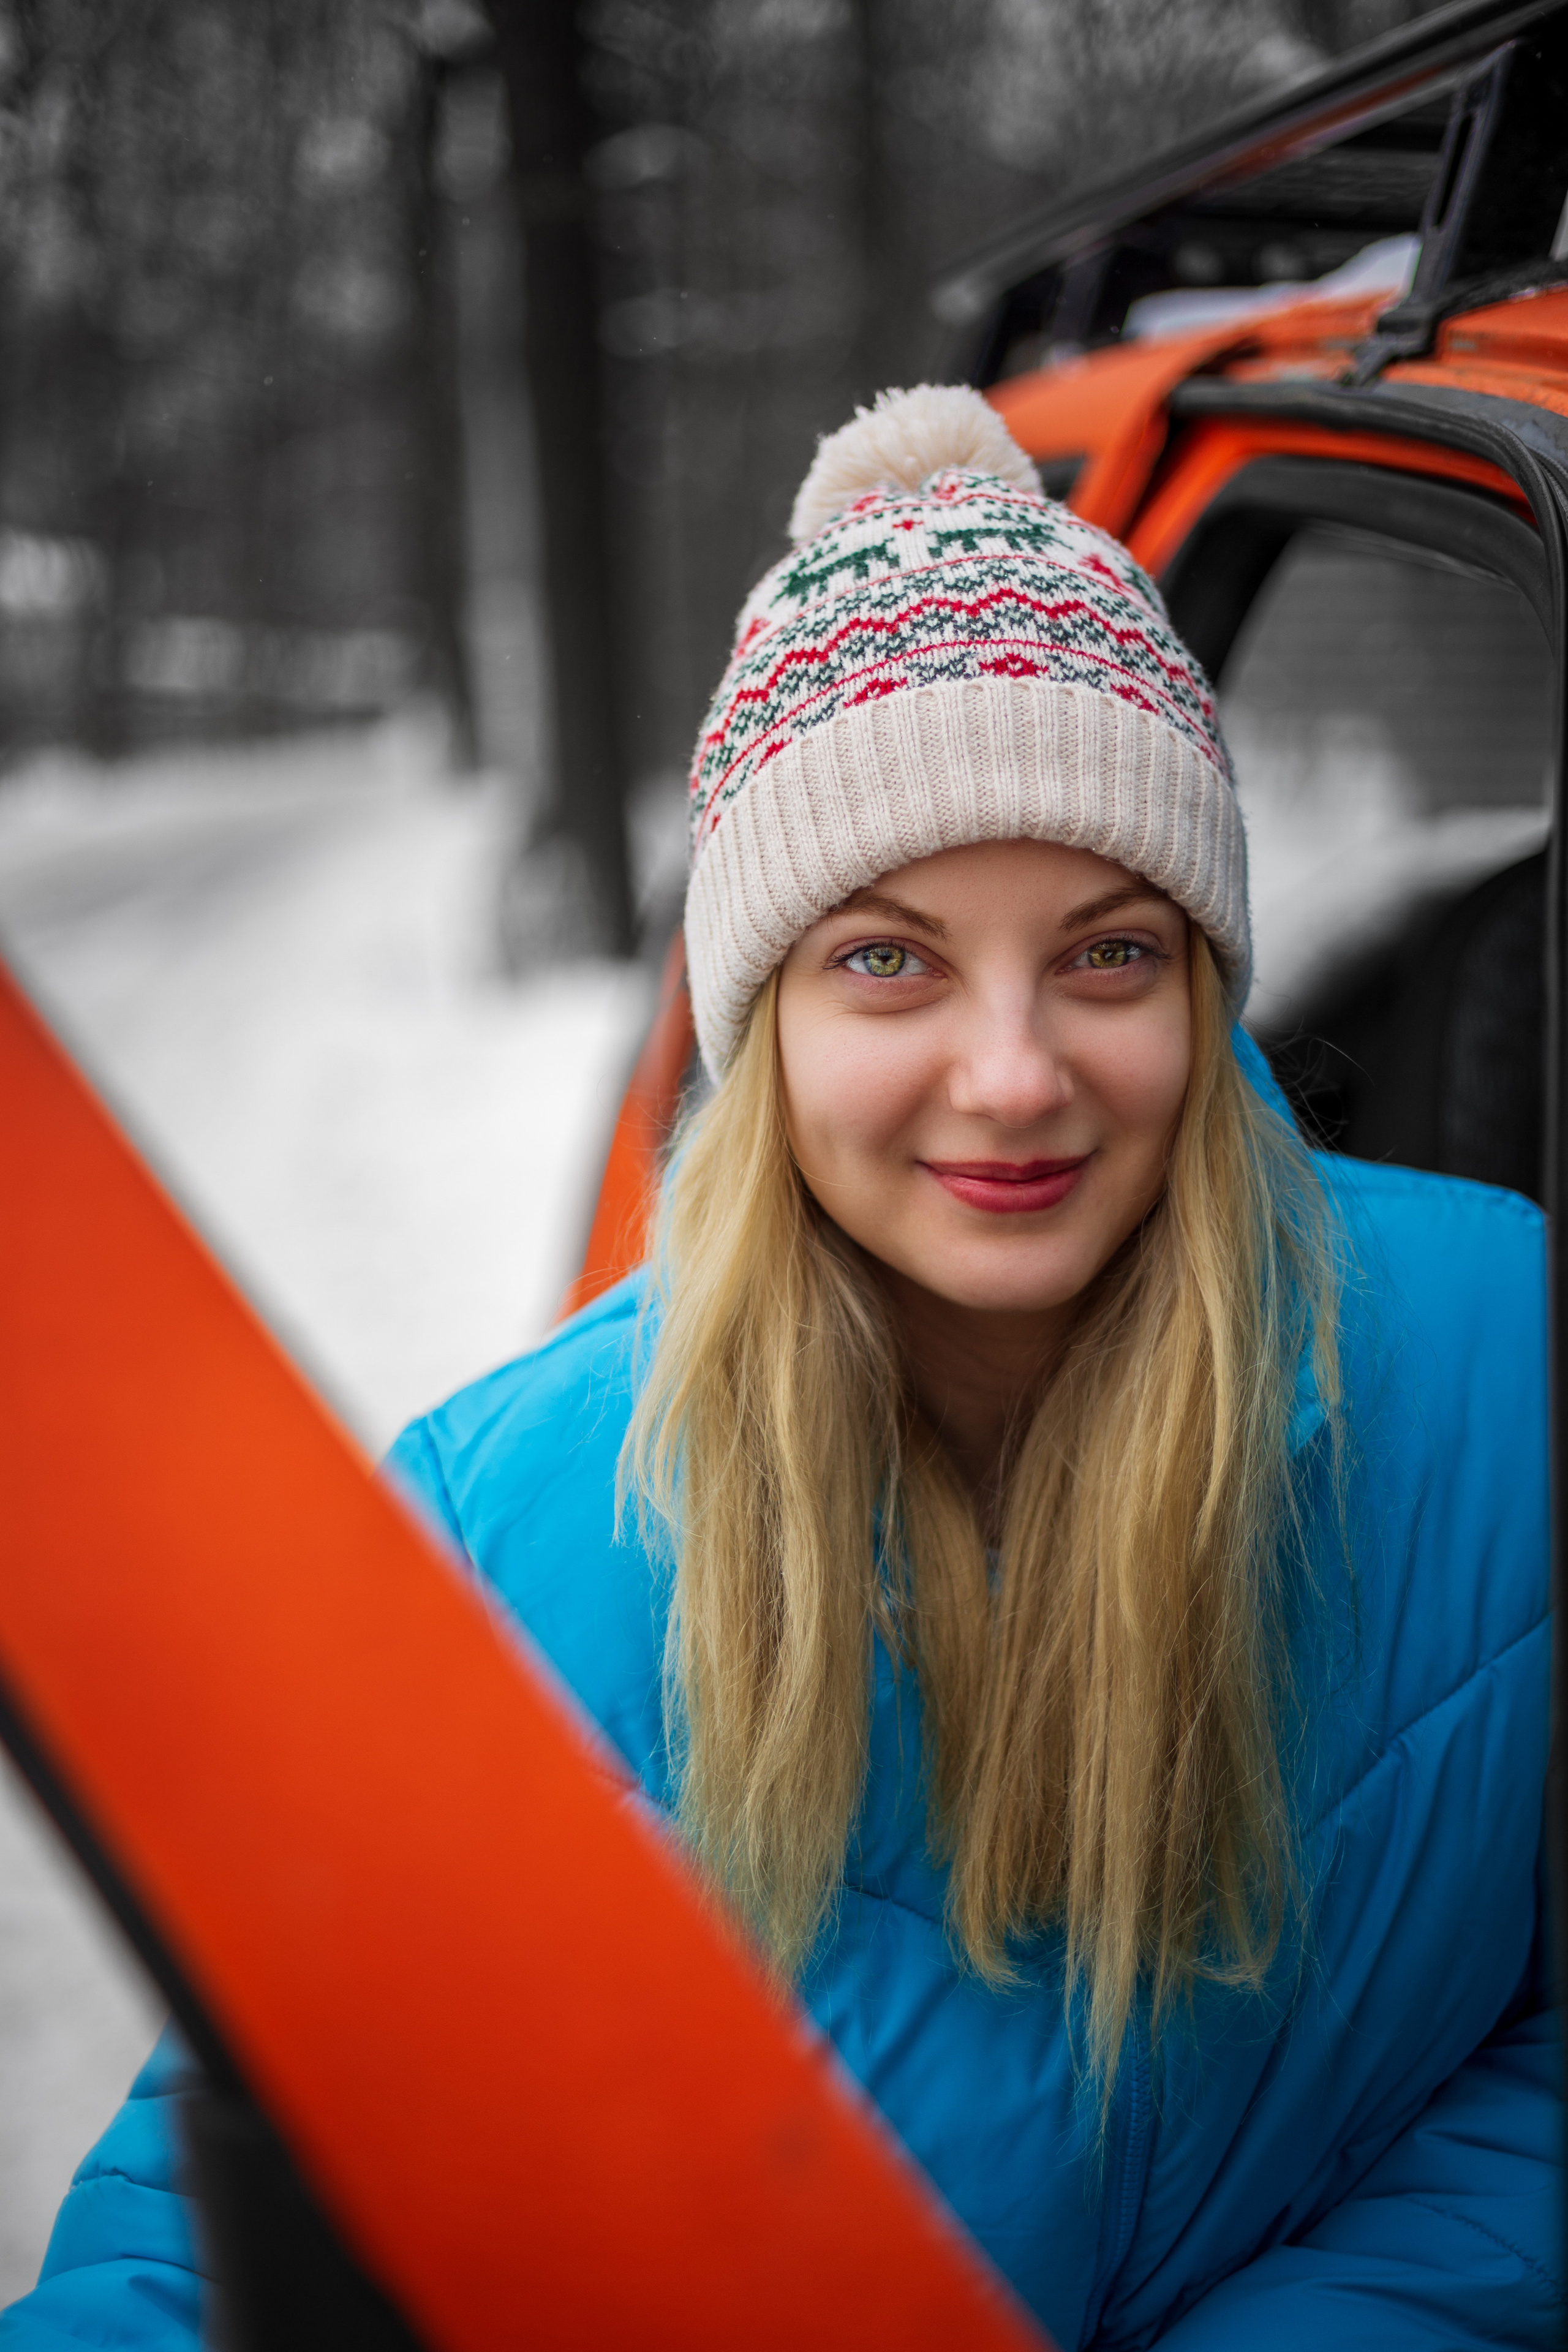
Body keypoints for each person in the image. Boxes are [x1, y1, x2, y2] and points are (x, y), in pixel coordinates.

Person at [2, 385, 1556, 2348]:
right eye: (890, 961)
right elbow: (221, 2208)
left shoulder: (1515, 1367)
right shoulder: (505, 1523)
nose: (1015, 1074)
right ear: (761, 1022)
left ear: (1204, 974)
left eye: (1106, 953)